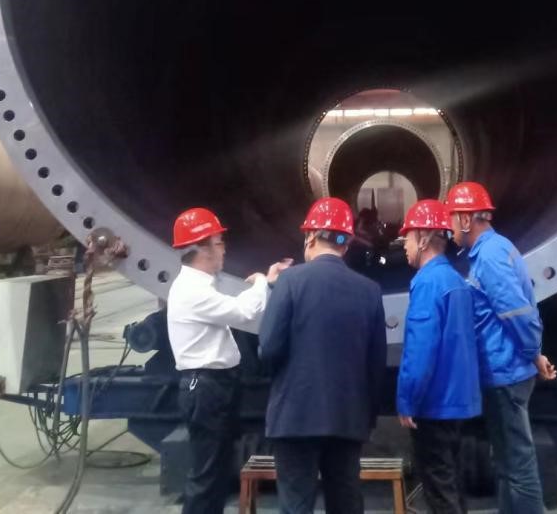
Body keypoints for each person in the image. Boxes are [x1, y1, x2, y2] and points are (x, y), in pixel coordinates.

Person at [259, 197, 388, 514]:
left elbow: (269, 348)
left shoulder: (289, 281)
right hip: (347, 418)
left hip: (295, 417)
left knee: (296, 504)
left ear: (311, 236)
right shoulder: (369, 290)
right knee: (345, 501)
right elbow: (375, 365)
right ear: (346, 244)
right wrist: (367, 416)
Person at [167, 207, 290, 514]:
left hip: (214, 386)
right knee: (207, 476)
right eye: (219, 242)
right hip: (206, 388)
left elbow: (233, 307)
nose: (224, 249)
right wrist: (262, 282)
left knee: (217, 471)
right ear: (202, 248)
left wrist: (267, 283)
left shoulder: (201, 286)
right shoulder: (192, 291)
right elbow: (243, 313)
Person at [447, 181, 556, 514]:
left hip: (506, 373)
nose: (450, 228)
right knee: (508, 464)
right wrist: (535, 355)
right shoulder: (493, 250)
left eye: (452, 218)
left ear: (467, 219)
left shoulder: (491, 256)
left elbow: (518, 313)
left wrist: (532, 353)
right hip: (505, 370)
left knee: (518, 466)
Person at [397, 199, 481, 514]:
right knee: (452, 482)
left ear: (423, 238)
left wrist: (407, 401)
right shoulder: (456, 280)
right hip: (458, 402)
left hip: (434, 405)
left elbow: (420, 350)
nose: (405, 246)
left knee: (439, 490)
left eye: (407, 238)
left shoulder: (427, 283)